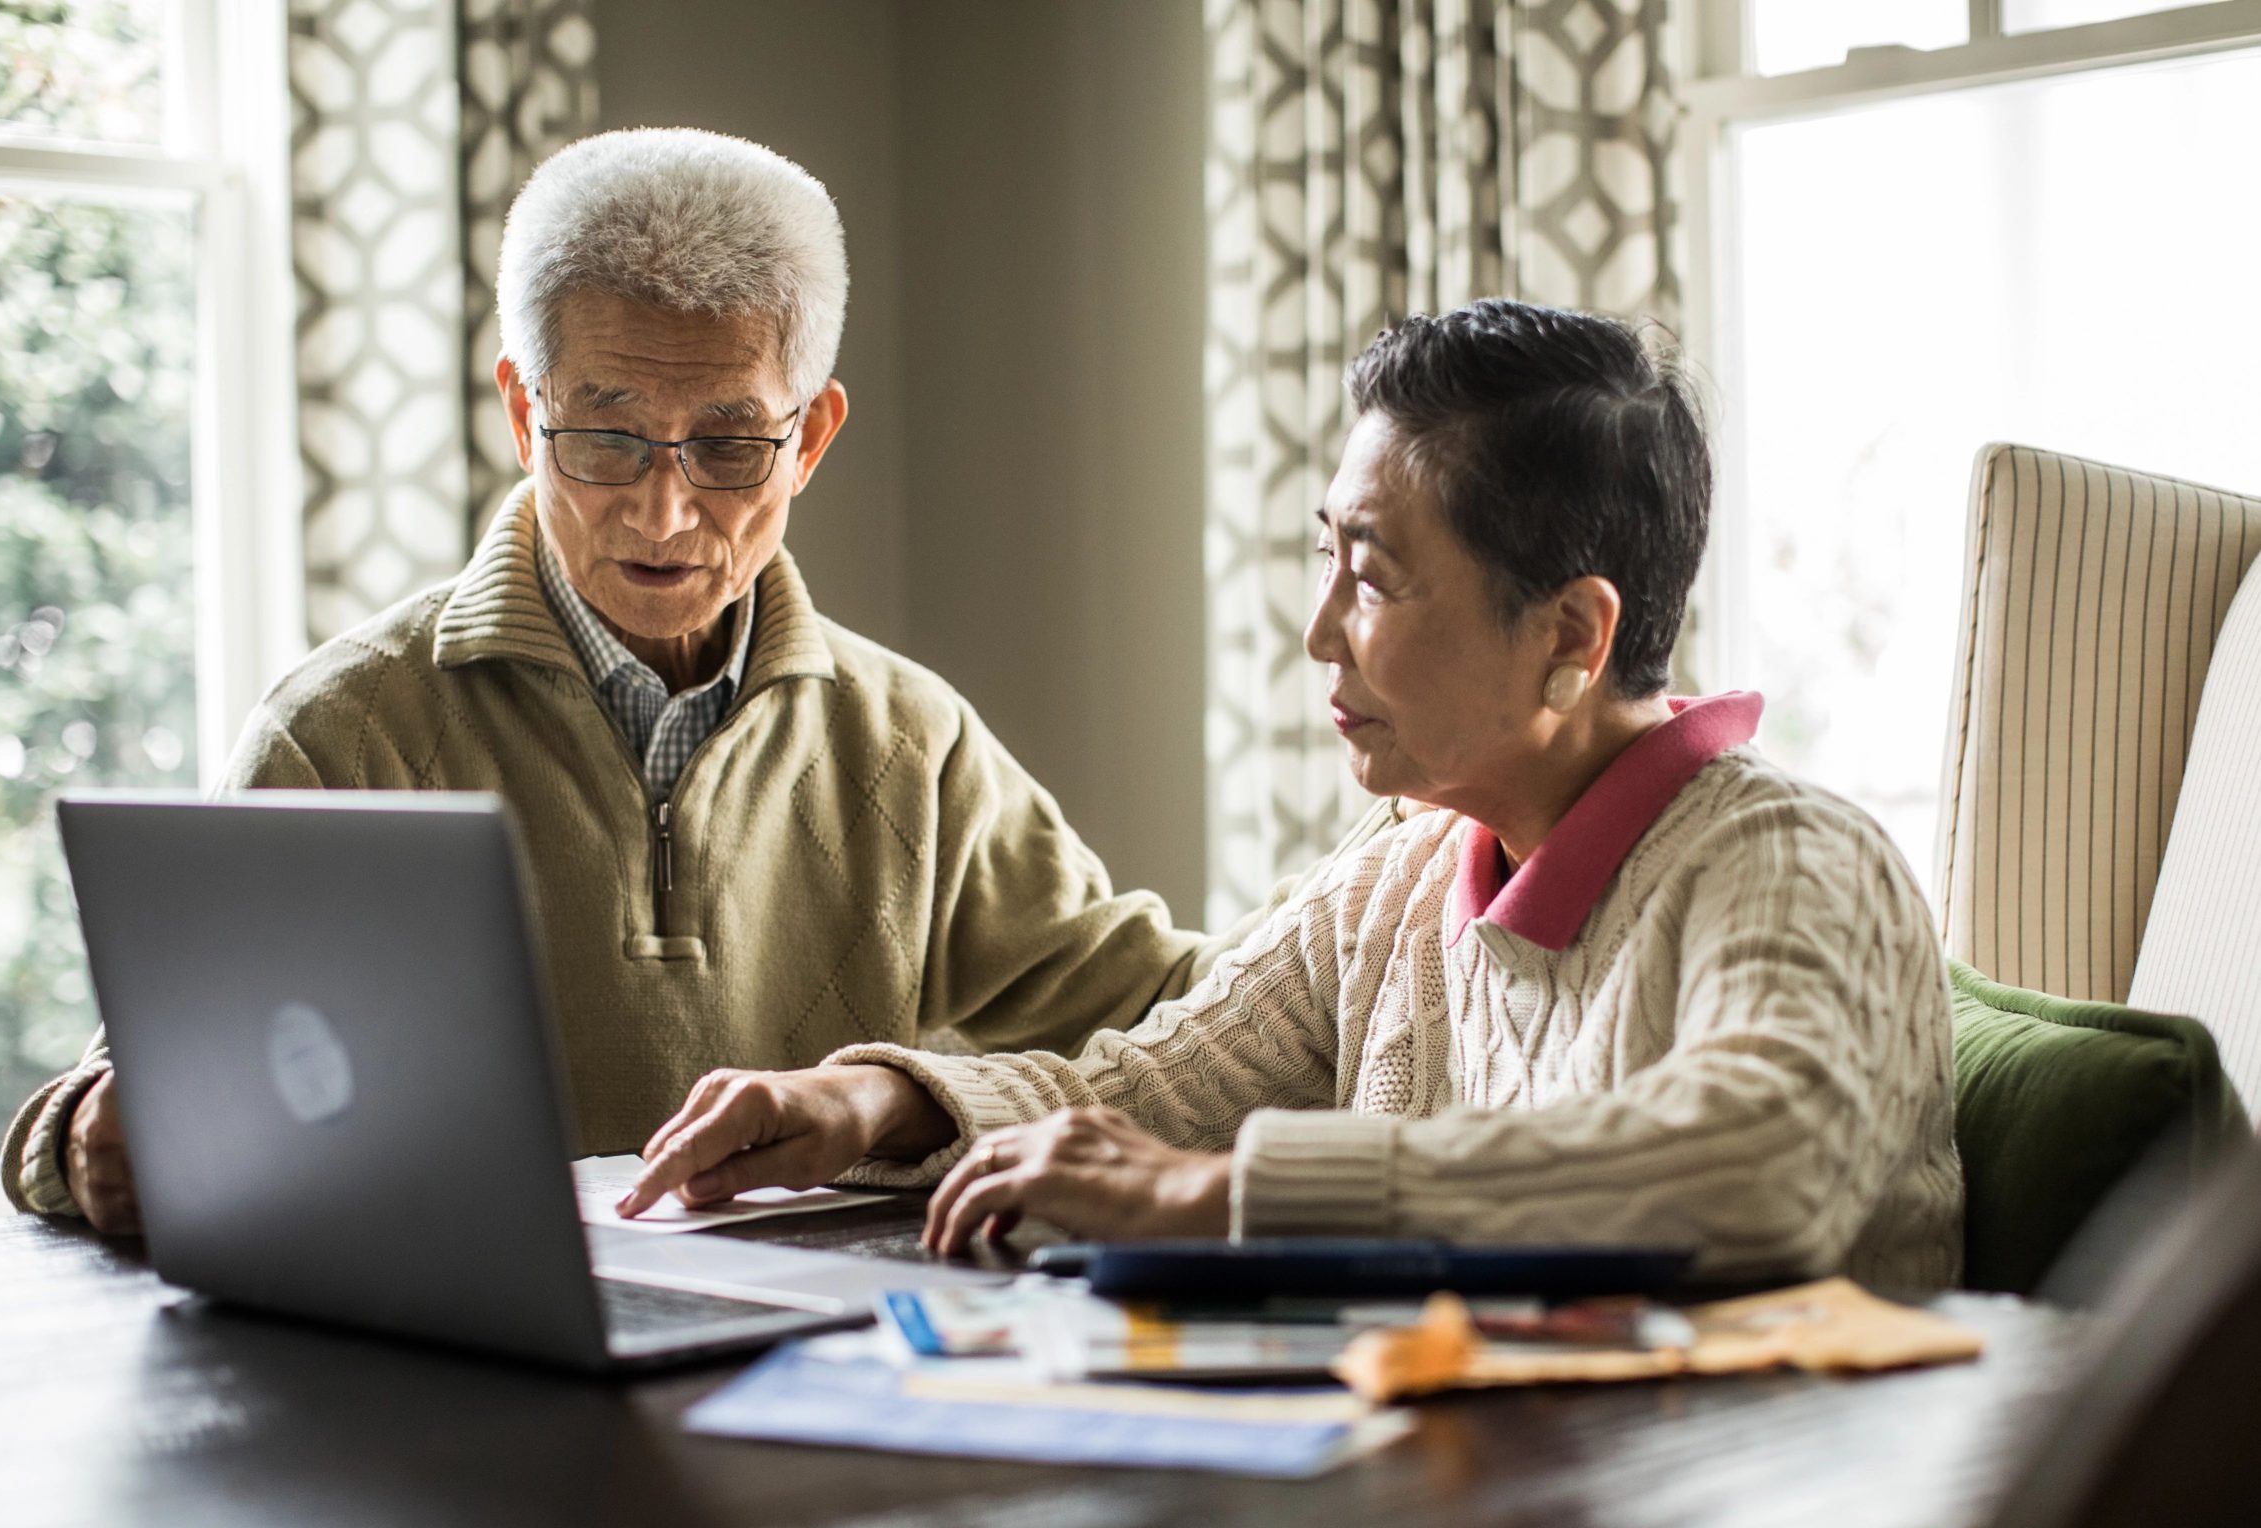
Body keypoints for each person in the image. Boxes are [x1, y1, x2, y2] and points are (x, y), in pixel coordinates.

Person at [0, 127, 1247, 1235]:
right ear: (519, 410)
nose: (664, 507)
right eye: (603, 434)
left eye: (728, 442)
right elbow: (125, 1097)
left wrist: (1408, 872)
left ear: (809, 436)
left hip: (808, 1405)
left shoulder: (909, 744)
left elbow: (1188, 1023)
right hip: (443, 1404)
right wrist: (81, 1143)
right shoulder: (345, 731)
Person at [615, 300, 1965, 1289]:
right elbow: (1144, 1092)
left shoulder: (1786, 859)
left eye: (1371, 576)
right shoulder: (1399, 866)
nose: (1319, 631)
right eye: (1325, 558)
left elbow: (1754, 1166)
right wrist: (872, 1107)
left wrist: (1227, 1199)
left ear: (1569, 634)